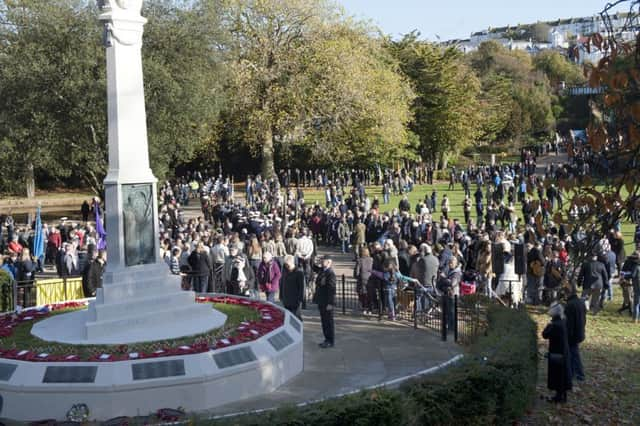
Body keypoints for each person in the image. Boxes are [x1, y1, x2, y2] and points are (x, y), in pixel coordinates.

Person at [542, 303, 572, 403]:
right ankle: (563, 396)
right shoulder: (563, 321)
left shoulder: (554, 325)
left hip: (557, 352)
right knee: (562, 374)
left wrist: (548, 325)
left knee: (557, 375)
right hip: (563, 351)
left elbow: (545, 335)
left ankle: (559, 397)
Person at [313, 256, 336, 348]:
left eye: (324, 260)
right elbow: (314, 267)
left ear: (329, 262)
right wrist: (311, 259)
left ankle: (330, 340)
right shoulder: (323, 270)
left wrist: (330, 303)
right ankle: (326, 339)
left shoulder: (330, 273)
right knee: (324, 321)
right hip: (321, 300)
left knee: (328, 322)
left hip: (327, 302)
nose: (322, 262)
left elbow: (331, 289)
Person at [564, 288, 586, 383]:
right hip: (580, 331)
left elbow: (569, 323)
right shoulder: (581, 302)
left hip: (572, 334)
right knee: (572, 354)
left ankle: (579, 374)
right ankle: (572, 373)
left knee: (574, 354)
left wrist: (567, 335)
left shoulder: (569, 305)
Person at [280, 255, 304, 320]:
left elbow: (302, 287)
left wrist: (300, 299)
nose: (286, 266)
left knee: (296, 318)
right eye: (285, 264)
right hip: (286, 300)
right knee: (287, 318)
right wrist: (281, 295)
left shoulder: (299, 273)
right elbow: (282, 283)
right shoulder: (284, 271)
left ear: (292, 263)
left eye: (288, 264)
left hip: (295, 300)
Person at [354, 246, 373, 314]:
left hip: (362, 278)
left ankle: (364, 308)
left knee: (363, 294)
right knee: (369, 293)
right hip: (370, 278)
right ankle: (370, 308)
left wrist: (356, 276)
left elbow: (357, 271)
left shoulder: (360, 260)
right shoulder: (371, 259)